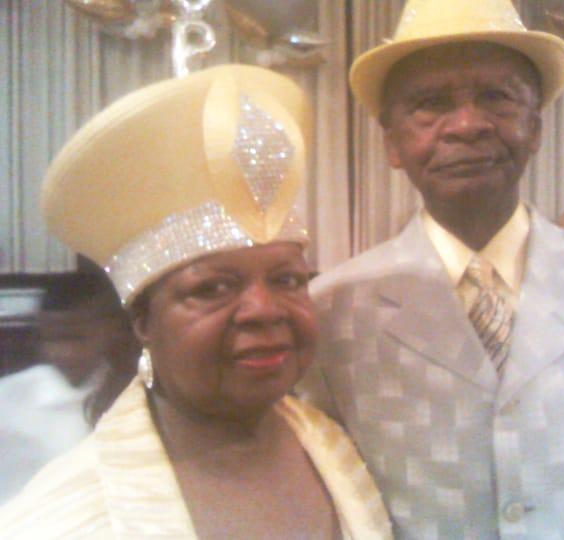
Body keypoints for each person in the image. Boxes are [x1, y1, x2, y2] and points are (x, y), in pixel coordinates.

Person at [297, 0, 564, 538]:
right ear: (391, 142)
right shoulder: (330, 316)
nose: (468, 125)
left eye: (497, 98)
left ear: (535, 127)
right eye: (430, 104)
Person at [0, 64, 391, 539]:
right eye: (213, 289)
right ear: (143, 321)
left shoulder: (330, 446)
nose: (265, 309)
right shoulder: (67, 520)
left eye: (287, 279)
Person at [0, 271, 137, 503]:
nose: (63, 352)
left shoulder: (129, 395)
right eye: (53, 339)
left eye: (75, 338)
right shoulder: (9, 400)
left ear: (108, 331)